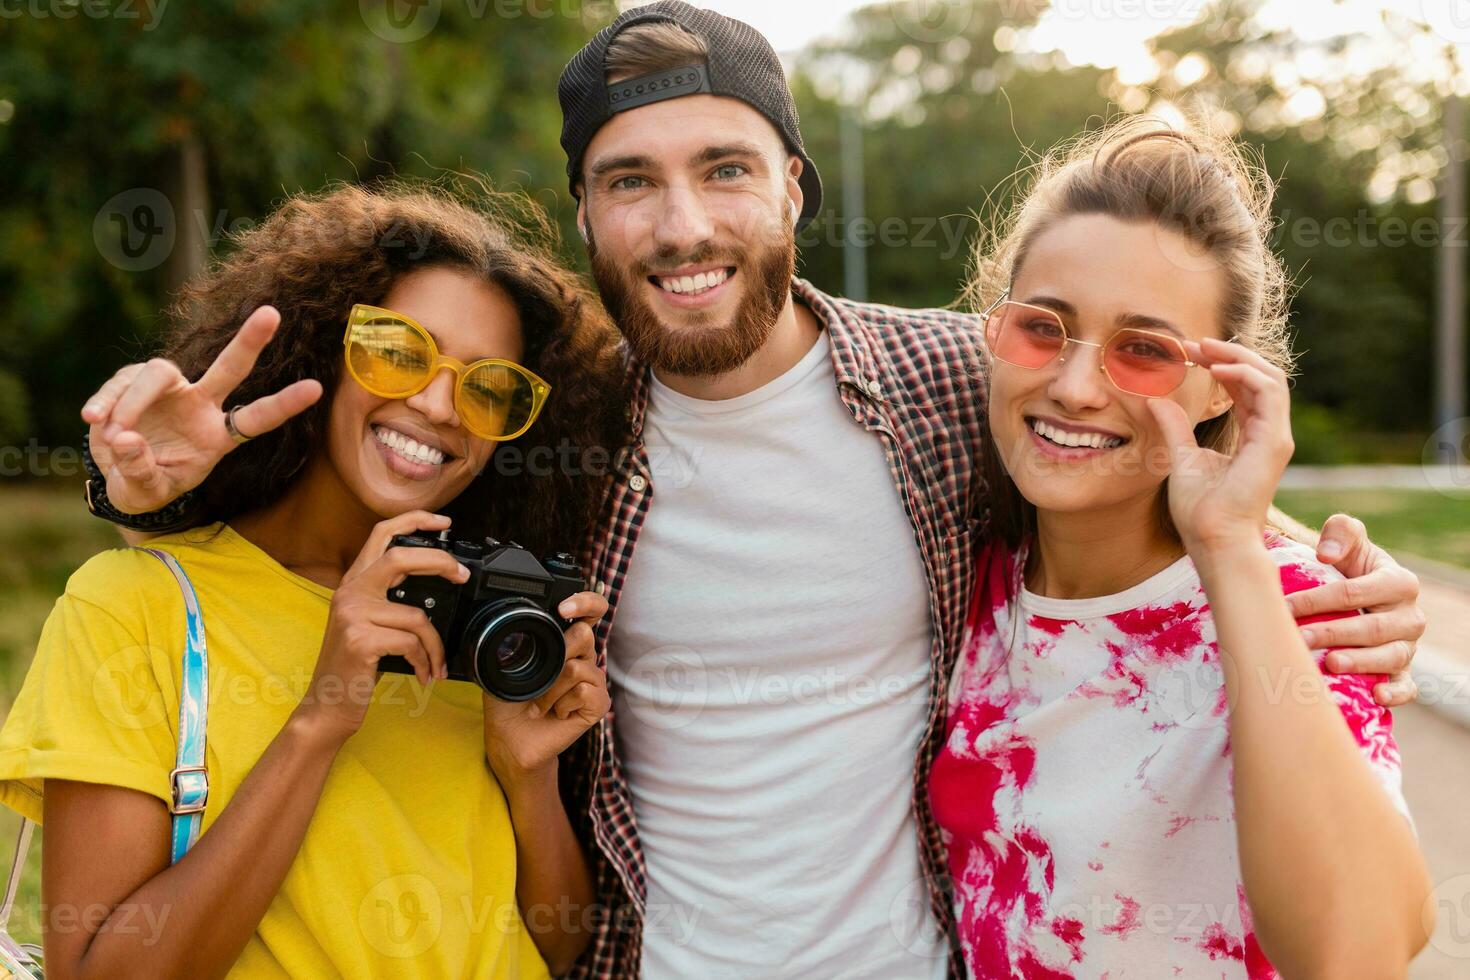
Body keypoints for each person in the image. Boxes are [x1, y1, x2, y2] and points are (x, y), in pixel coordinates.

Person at [76, 4, 1430, 977]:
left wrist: (1326, 568)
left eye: (724, 170)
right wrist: (161, 489)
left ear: (789, 185)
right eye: (629, 184)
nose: (681, 226)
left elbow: (1123, 438)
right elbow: (360, 498)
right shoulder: (550, 432)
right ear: (588, 215)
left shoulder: (948, 381)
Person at [0, 181, 626, 977]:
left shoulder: (492, 627)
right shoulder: (134, 609)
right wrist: (321, 716)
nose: (440, 405)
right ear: (324, 349)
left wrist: (526, 775)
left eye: (490, 386)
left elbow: (557, 943)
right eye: (399, 351)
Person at [931, 119, 1432, 977]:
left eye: (1144, 351)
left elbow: (1358, 954)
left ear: (1217, 389)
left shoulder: (1299, 609)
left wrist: (1232, 545)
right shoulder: (961, 576)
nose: (1076, 386)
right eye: (1043, 327)